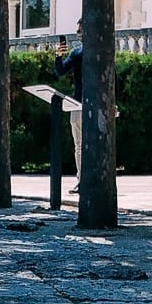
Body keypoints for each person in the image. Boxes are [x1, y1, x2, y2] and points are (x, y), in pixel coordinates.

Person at [54, 19, 83, 194]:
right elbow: (60, 71)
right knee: (79, 145)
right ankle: (82, 180)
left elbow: (59, 72)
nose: (78, 33)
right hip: (78, 104)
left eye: (80, 30)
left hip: (85, 104)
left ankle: (84, 180)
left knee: (80, 145)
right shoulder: (76, 53)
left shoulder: (81, 52)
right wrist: (58, 56)